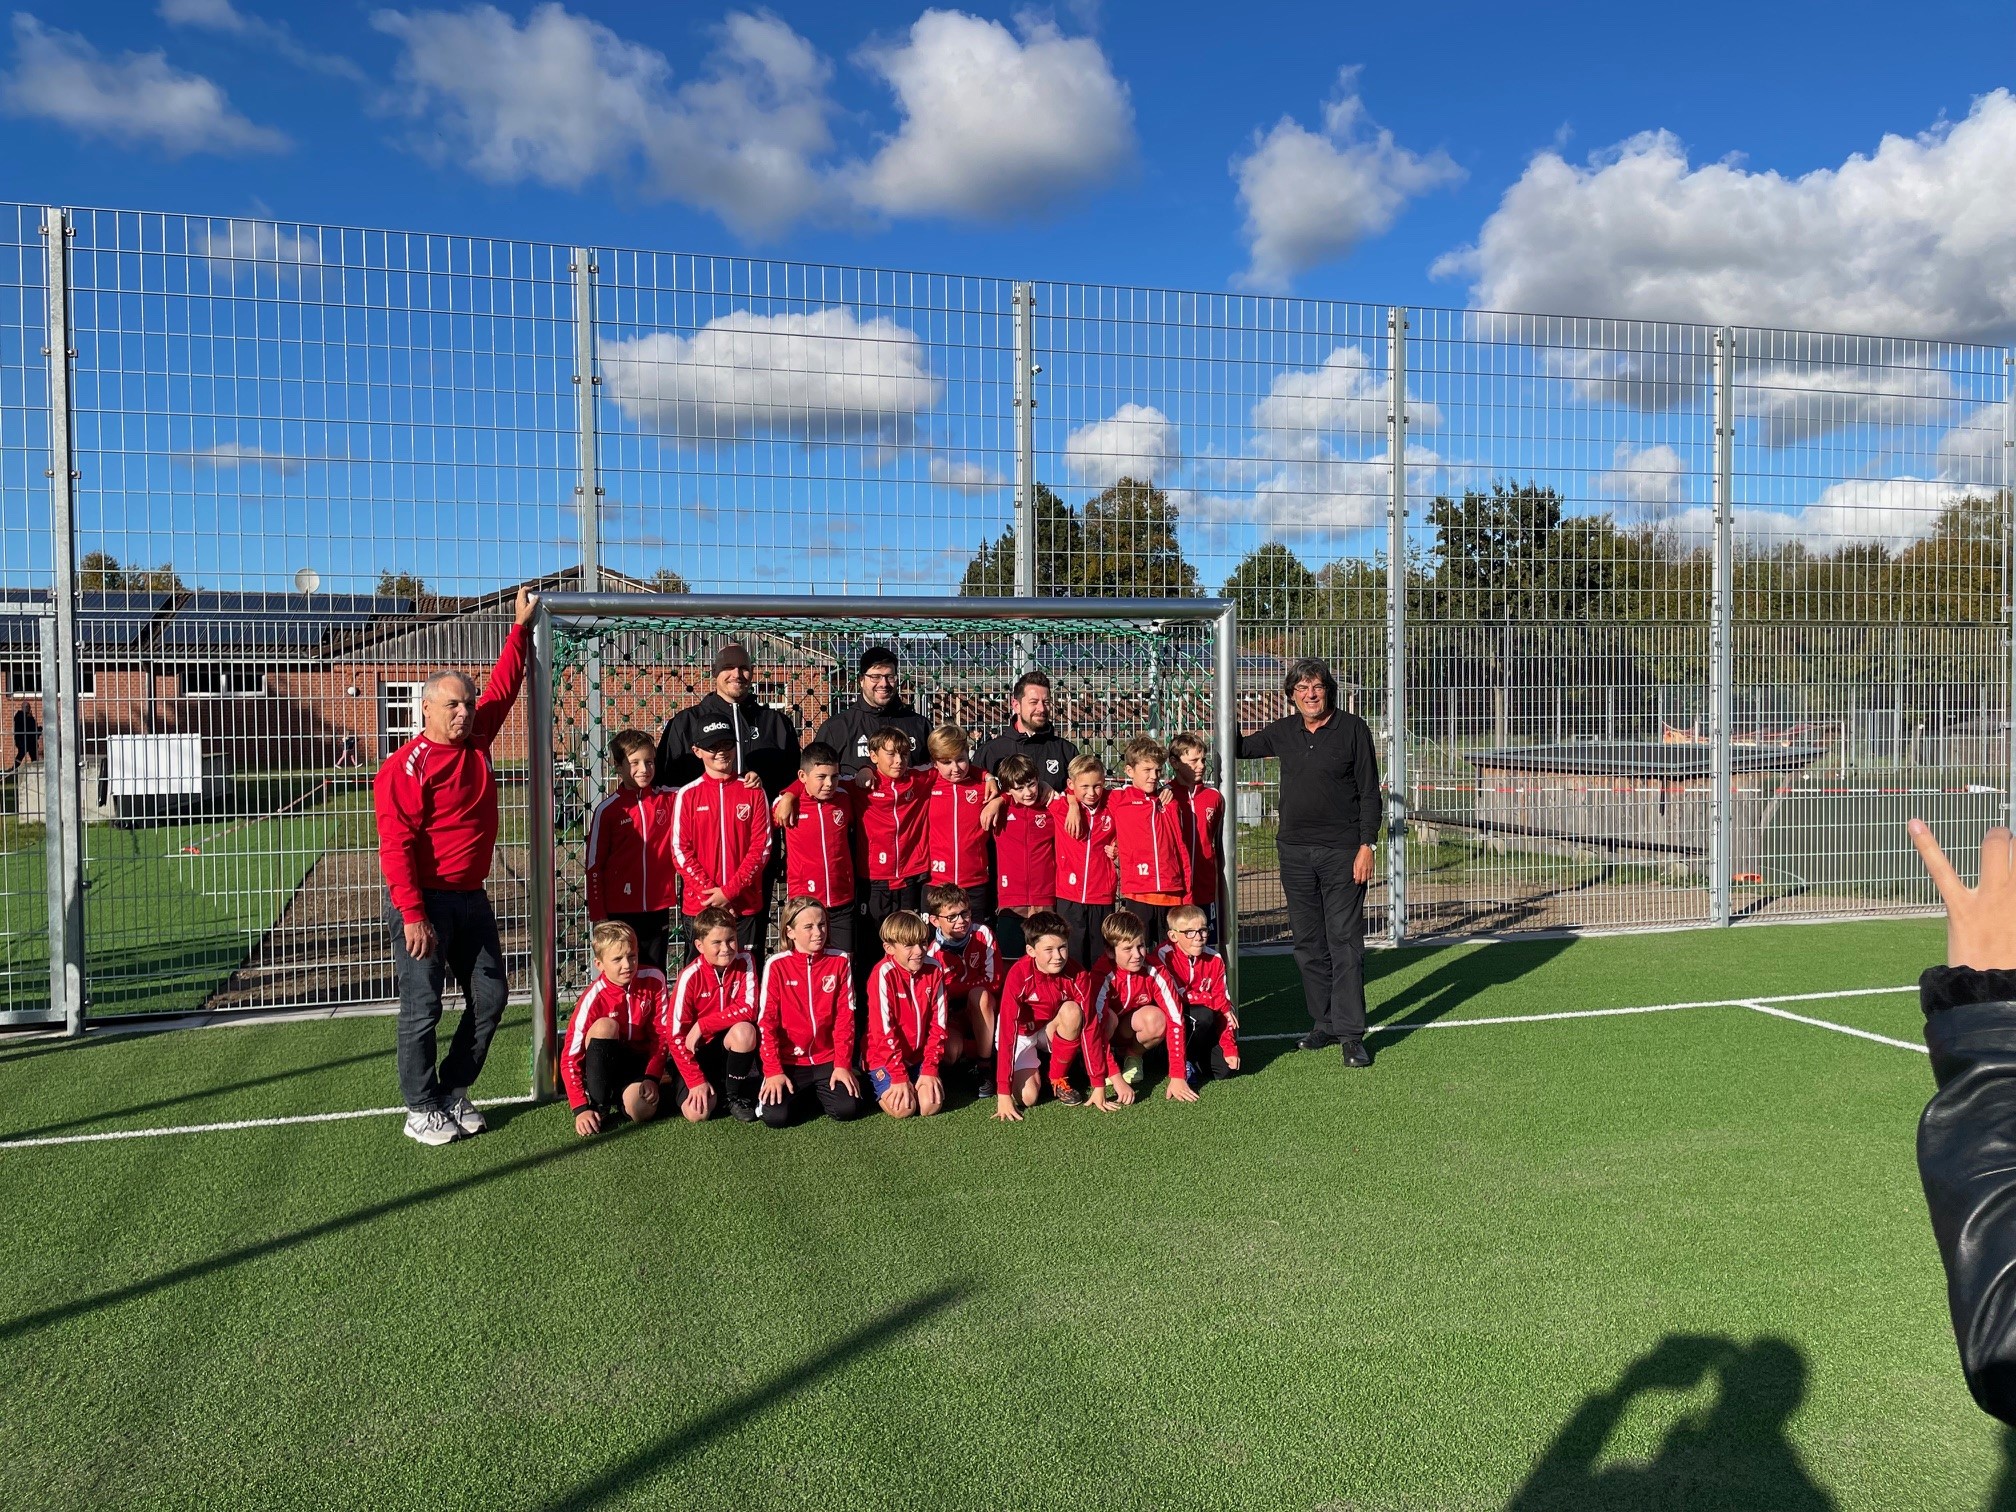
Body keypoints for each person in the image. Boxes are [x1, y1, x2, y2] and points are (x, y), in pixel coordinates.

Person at [375, 584, 536, 1146]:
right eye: (452, 705)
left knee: (490, 996)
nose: (464, 711)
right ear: (426, 708)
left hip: (472, 897)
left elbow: (504, 686)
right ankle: (419, 1108)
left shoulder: (478, 738)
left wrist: (519, 628)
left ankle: (451, 1091)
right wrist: (414, 915)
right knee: (422, 1009)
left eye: (466, 704)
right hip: (424, 901)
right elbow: (394, 846)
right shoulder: (405, 767)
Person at [1237, 657, 1381, 1069]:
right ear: (1291, 695)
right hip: (1295, 852)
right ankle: (1325, 1022)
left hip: (1342, 853)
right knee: (1308, 944)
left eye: (1316, 686)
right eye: (1301, 688)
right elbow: (1240, 748)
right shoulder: (1284, 731)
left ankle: (1352, 1035)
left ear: (1328, 689)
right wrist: (1221, 708)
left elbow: (1370, 792)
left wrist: (1366, 845)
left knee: (1346, 944)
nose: (1310, 694)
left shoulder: (1352, 729)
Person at [992, 909, 1125, 1118]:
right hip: (1022, 1034)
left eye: (1062, 947)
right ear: (1031, 950)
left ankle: (1057, 1077)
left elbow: (1090, 1026)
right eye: (1049, 949)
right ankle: (1038, 1066)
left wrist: (1098, 1084)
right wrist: (1003, 1093)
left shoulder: (1078, 974)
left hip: (1051, 1029)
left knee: (1073, 1011)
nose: (1058, 956)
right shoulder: (1018, 975)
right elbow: (1008, 1031)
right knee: (1028, 1098)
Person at [756, 896, 871, 1128]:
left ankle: (821, 1091)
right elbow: (767, 1022)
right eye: (808, 927)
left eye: (821, 925)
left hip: (827, 1059)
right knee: (775, 1117)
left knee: (847, 1109)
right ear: (790, 932)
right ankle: (808, 1093)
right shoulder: (776, 965)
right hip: (791, 1061)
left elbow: (845, 1018)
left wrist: (842, 1064)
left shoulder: (839, 961)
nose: (818, 932)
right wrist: (774, 1070)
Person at [669, 723, 774, 959]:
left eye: (726, 744)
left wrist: (729, 892)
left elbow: (762, 847)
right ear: (697, 751)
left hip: (744, 905)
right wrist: (712, 895)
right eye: (712, 746)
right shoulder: (687, 794)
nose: (721, 752)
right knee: (702, 979)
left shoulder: (753, 791)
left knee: (745, 976)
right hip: (701, 906)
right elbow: (680, 850)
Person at [584, 728, 679, 972]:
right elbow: (594, 865)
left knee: (654, 971)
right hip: (620, 910)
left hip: (658, 907)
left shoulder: (669, 798)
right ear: (618, 766)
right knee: (623, 972)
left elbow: (703, 790)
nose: (644, 769)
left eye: (649, 762)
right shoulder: (608, 810)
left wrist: (748, 778)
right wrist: (599, 914)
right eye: (634, 762)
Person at [561, 920, 666, 1138]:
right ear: (599, 964)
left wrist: (651, 1076)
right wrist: (580, 1108)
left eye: (632, 956)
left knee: (642, 1111)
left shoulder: (655, 979)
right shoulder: (592, 997)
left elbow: (661, 1035)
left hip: (637, 1064)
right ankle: (600, 1104)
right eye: (617, 959)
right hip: (606, 1063)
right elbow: (570, 1056)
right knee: (605, 1027)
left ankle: (630, 1095)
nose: (627, 965)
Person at [655, 641, 800, 795]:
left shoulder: (777, 723)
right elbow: (665, 782)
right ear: (714, 672)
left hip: (762, 816)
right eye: (728, 667)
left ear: (752, 672)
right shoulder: (685, 722)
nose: (736, 674)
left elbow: (795, 782)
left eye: (743, 668)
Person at [662, 905, 762, 1123]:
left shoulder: (746, 961)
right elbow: (675, 1035)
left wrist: (703, 1025)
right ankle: (686, 1081)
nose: (726, 948)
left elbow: (750, 1008)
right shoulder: (689, 976)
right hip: (697, 1052)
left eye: (731, 939)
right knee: (698, 1114)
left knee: (745, 1031)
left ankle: (733, 1096)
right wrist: (695, 1079)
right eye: (716, 942)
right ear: (699, 945)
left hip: (726, 1046)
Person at [1090, 908, 1200, 1102]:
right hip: (1106, 1034)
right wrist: (1116, 1079)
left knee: (1157, 1018)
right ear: (1109, 951)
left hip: (1127, 1033)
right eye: (1127, 949)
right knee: (1107, 1019)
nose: (1137, 955)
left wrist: (1177, 1075)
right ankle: (1105, 1064)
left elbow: (1176, 1018)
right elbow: (1094, 1028)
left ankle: (1133, 1057)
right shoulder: (1102, 973)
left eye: (1141, 946)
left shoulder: (1154, 968)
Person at [771, 742, 857, 959]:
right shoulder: (786, 804)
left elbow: (862, 779)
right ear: (802, 776)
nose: (829, 783)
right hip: (804, 902)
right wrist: (790, 795)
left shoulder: (845, 798)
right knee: (806, 962)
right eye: (821, 777)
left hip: (841, 901)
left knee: (843, 963)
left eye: (834, 776)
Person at [865, 910, 953, 1119]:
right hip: (884, 1056)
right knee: (904, 1109)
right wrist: (897, 1075)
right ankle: (872, 1080)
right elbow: (883, 1032)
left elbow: (939, 1025)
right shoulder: (882, 974)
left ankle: (917, 1079)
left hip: (918, 1056)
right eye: (909, 945)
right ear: (889, 948)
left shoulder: (935, 968)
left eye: (923, 942)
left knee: (929, 1106)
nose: (919, 951)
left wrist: (930, 1068)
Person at [1108, 736, 1190, 949]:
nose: (1154, 776)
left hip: (1171, 892)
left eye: (1158, 771)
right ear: (1129, 771)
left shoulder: (1169, 802)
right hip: (1139, 892)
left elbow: (1180, 847)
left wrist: (1186, 890)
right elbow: (1087, 798)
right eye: (1147, 770)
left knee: (1171, 953)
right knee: (1138, 949)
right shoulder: (1118, 799)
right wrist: (1113, 844)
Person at [923, 881, 1002, 1087]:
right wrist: (956, 991)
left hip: (984, 1007)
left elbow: (994, 982)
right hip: (954, 1015)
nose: (961, 921)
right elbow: (936, 998)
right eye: (951, 917)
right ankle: (977, 1053)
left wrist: (956, 989)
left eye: (965, 913)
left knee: (979, 995)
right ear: (934, 920)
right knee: (949, 1054)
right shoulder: (932, 954)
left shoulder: (982, 934)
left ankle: (985, 1065)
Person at [813, 645, 931, 779]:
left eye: (890, 676)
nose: (884, 683)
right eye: (875, 677)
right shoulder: (836, 728)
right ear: (861, 680)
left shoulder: (920, 725)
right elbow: (813, 778)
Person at [985, 753, 1057, 960]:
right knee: (1010, 961)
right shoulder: (999, 809)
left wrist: (1066, 799)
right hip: (1011, 900)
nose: (1027, 793)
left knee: (1047, 959)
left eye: (1032, 784)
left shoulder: (1049, 808)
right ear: (1007, 789)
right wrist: (999, 799)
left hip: (1044, 897)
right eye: (1019, 788)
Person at [1052, 754, 1118, 970]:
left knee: (1101, 957)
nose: (1091, 793)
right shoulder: (1060, 807)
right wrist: (1071, 801)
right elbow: (1038, 787)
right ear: (1071, 784)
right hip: (1068, 895)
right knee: (1072, 956)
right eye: (1085, 787)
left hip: (1102, 894)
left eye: (1097, 786)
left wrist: (1119, 846)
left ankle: (1100, 1000)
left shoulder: (1113, 805)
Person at [923, 724, 994, 922]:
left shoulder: (983, 788)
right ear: (934, 762)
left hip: (974, 882)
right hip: (936, 882)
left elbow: (1016, 793)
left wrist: (998, 798)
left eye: (961, 760)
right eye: (946, 762)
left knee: (975, 942)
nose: (955, 768)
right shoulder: (926, 783)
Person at [1158, 903, 1238, 1077]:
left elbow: (1225, 1006)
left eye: (1203, 930)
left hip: (1204, 1021)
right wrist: (1214, 1002)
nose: (1198, 937)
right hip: (1175, 1020)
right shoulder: (1163, 956)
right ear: (1173, 935)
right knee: (1203, 1015)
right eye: (1189, 932)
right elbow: (1177, 995)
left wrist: (1230, 1047)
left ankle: (1194, 1059)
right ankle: (1175, 1059)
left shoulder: (1215, 959)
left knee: (1225, 1070)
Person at [1167, 732, 1226, 945]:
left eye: (1202, 760)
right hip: (1175, 887)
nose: (1200, 765)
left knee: (1204, 942)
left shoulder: (1214, 797)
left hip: (1205, 885)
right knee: (1175, 946)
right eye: (1193, 761)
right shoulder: (1166, 795)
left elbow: (1217, 837)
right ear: (1174, 762)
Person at [976, 670, 1076, 787]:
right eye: (1033, 702)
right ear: (1016, 706)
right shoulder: (990, 752)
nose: (1041, 709)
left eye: (1046, 702)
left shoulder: (1066, 751)